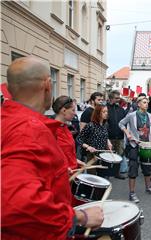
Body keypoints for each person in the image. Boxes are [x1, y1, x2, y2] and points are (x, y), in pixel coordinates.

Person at [1, 56, 103, 239]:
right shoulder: (28, 130)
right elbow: (15, 202)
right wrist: (81, 217)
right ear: (48, 85)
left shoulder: (8, 121)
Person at [119, 96, 151, 203]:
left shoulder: (149, 115)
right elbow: (121, 123)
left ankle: (148, 187)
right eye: (144, 102)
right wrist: (127, 134)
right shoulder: (131, 115)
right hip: (134, 145)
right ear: (139, 104)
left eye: (147, 102)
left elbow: (149, 129)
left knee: (147, 167)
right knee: (133, 168)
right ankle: (132, 193)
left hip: (146, 145)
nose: (146, 104)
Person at [77, 104, 113, 177]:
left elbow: (105, 136)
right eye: (104, 112)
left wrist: (108, 142)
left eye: (107, 111)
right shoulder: (90, 125)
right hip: (92, 156)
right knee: (92, 178)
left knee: (102, 178)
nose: (106, 113)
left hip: (103, 155)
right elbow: (79, 139)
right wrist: (88, 147)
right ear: (98, 113)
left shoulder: (105, 125)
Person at [53, 96, 85, 171]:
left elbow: (68, 153)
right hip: (61, 176)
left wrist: (76, 161)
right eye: (73, 110)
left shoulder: (65, 128)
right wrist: (64, 168)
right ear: (64, 110)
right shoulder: (52, 131)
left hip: (72, 173)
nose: (75, 113)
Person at [107, 90, 129, 179]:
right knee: (108, 155)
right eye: (116, 98)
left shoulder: (120, 109)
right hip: (109, 137)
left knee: (119, 155)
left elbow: (124, 122)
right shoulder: (105, 108)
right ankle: (107, 173)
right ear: (111, 98)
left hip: (120, 136)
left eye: (119, 97)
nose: (118, 99)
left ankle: (116, 173)